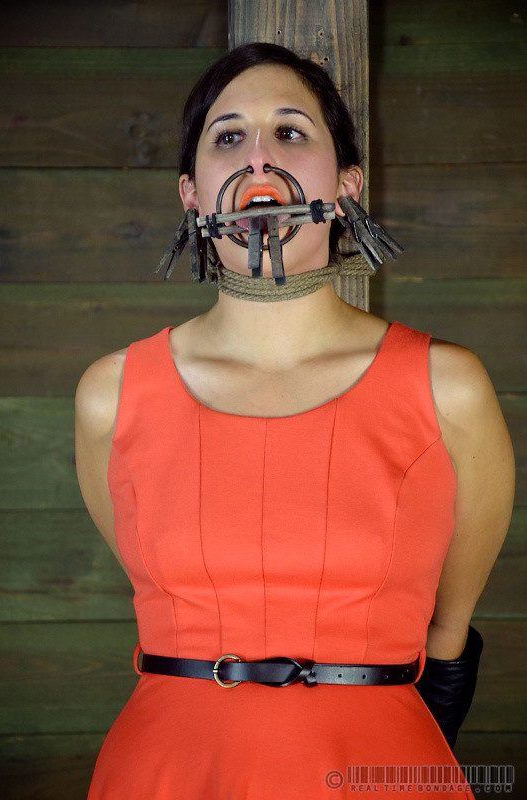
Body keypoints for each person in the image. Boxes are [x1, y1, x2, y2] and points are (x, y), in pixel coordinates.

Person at [75, 43, 515, 799]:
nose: (258, 158)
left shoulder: (450, 388)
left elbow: (447, 633)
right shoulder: (110, 396)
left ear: (346, 183)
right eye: (228, 136)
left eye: (289, 131)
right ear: (190, 193)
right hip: (164, 773)